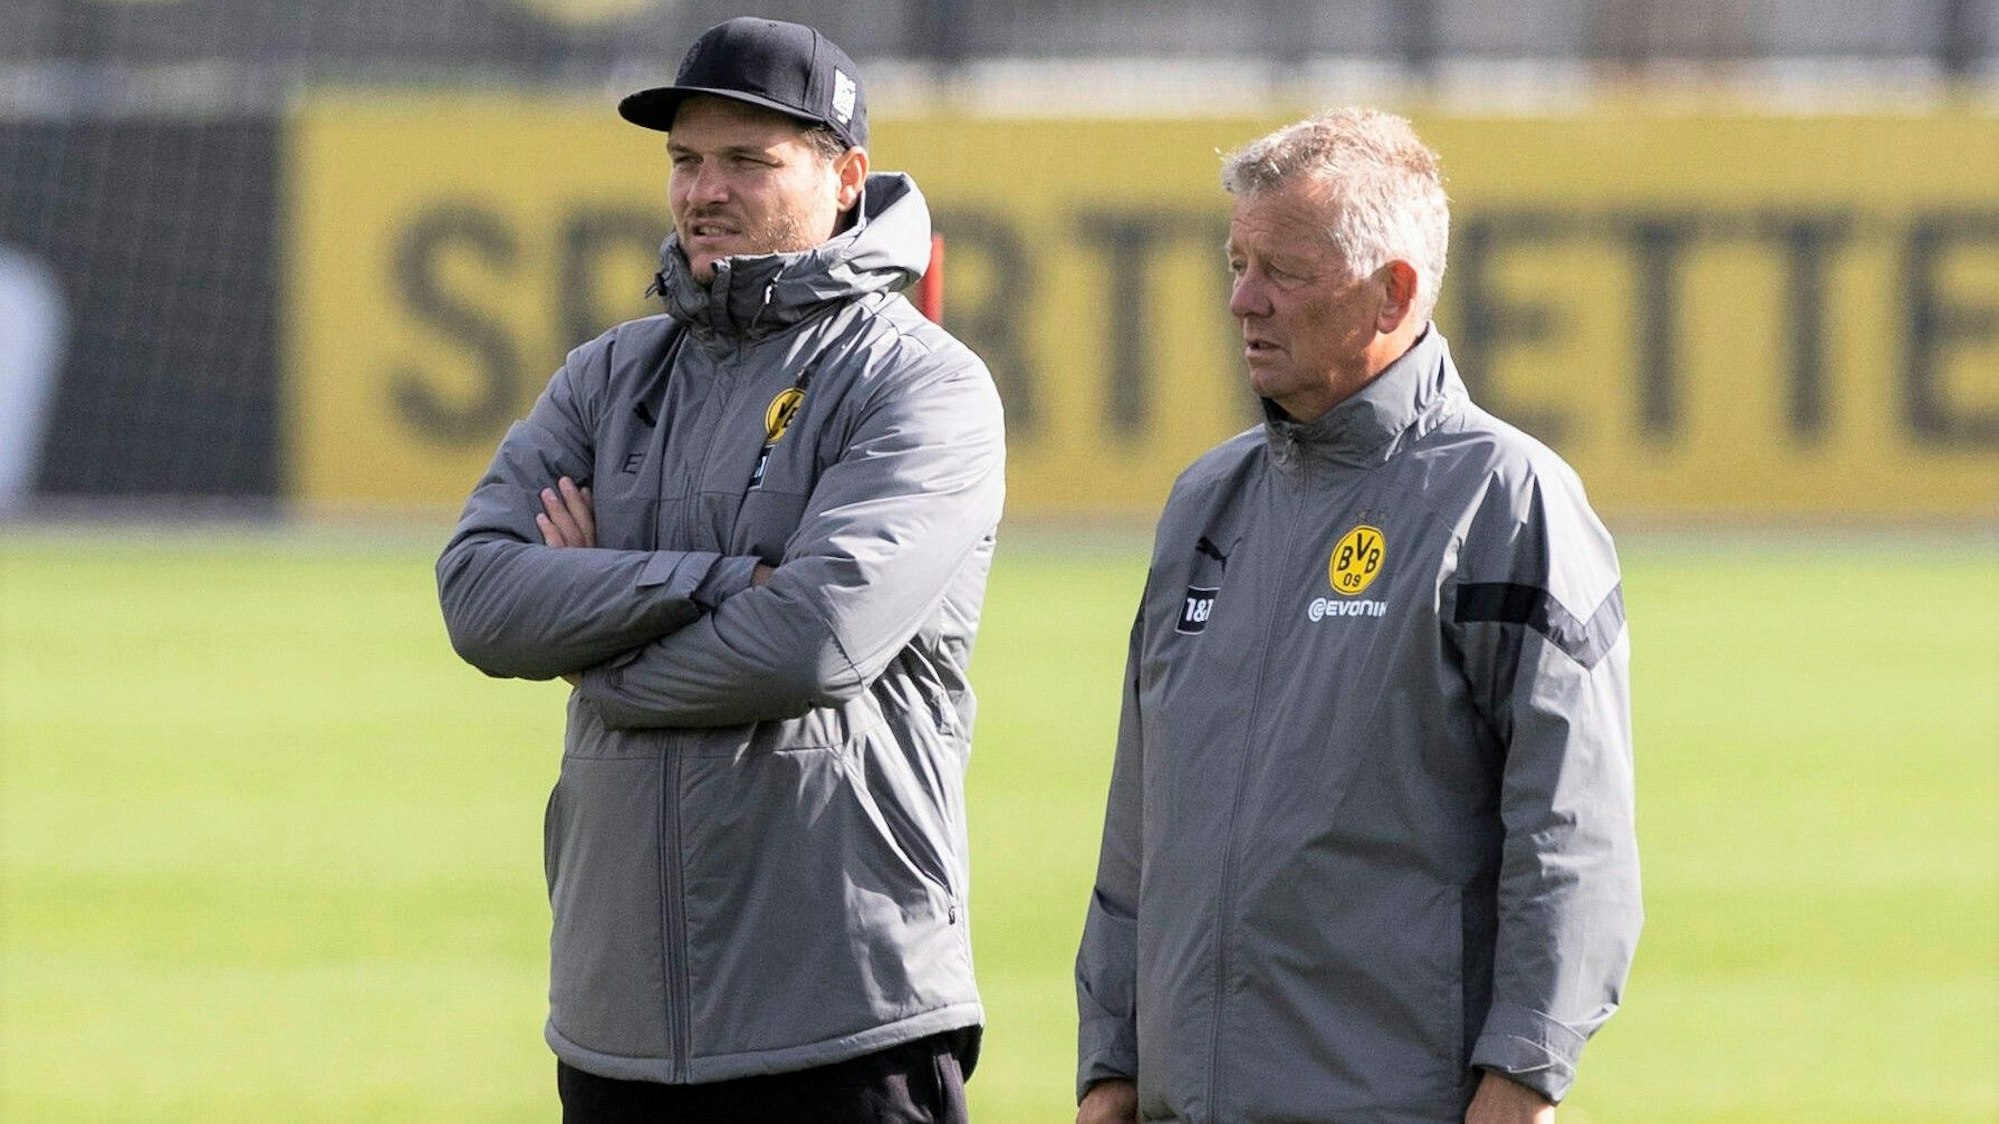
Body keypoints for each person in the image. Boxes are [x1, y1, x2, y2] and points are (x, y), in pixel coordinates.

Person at [436, 17, 1004, 1123]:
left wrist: (597, 648)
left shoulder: (920, 383)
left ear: (846, 178)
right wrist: (715, 583)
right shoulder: (607, 374)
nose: (704, 190)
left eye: (748, 160)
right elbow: (478, 597)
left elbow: (813, 640)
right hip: (617, 1019)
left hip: (843, 1012)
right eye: (686, 159)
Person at [1074, 109, 1641, 1124]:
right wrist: (1111, 1062)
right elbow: (1138, 829)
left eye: (1283, 271)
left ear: (1393, 292)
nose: (1242, 299)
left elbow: (1573, 830)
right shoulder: (1205, 502)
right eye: (1236, 263)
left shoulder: (1506, 501)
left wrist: (1523, 1074)